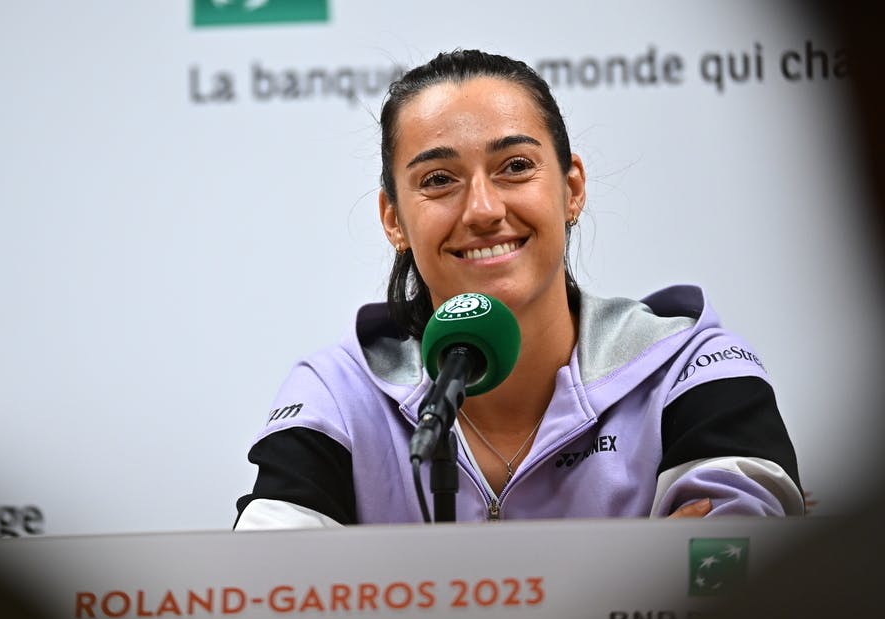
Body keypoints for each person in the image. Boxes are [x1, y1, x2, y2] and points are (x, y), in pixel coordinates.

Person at [235, 49, 803, 529]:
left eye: (515, 166)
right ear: (394, 220)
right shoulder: (339, 395)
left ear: (572, 188)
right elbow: (266, 605)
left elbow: (738, 594)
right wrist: (638, 579)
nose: (483, 209)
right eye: (438, 180)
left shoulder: (690, 368)